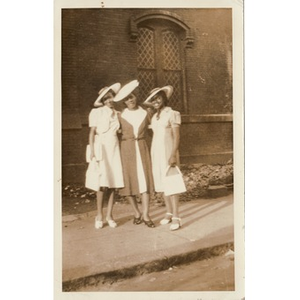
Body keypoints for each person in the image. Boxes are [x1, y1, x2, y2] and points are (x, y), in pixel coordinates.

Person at [113, 79, 155, 228]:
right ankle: (136, 212)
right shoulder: (120, 115)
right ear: (123, 102)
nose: (129, 100)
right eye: (126, 99)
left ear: (136, 96)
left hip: (142, 146)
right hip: (127, 149)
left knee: (145, 181)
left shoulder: (146, 113)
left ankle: (146, 214)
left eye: (131, 96)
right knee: (128, 181)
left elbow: (154, 128)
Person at [144, 85, 183, 231]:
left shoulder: (172, 113)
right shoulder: (154, 116)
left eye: (158, 98)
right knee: (162, 183)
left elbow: (176, 136)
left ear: (164, 98)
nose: (155, 101)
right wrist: (150, 112)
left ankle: (177, 217)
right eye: (153, 99)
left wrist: (173, 154)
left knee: (172, 183)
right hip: (157, 152)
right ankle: (169, 212)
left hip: (168, 151)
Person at [88, 83, 124, 229]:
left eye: (111, 97)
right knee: (102, 183)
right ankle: (99, 215)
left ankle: (110, 215)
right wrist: (92, 151)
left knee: (113, 184)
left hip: (114, 148)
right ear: (102, 101)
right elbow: (91, 133)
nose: (109, 100)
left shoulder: (118, 114)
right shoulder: (96, 113)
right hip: (101, 147)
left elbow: (121, 133)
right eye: (106, 98)